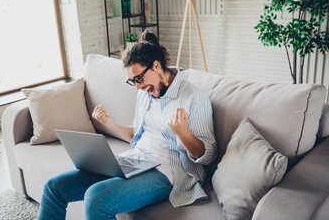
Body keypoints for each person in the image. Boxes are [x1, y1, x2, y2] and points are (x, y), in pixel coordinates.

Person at [37, 30, 217, 220]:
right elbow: (138, 137)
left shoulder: (194, 97)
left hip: (168, 172)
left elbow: (209, 156)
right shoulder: (144, 94)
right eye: (132, 82)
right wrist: (109, 124)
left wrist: (183, 133)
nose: (138, 87)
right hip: (135, 160)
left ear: (156, 66)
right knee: (54, 188)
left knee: (96, 198)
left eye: (139, 78)